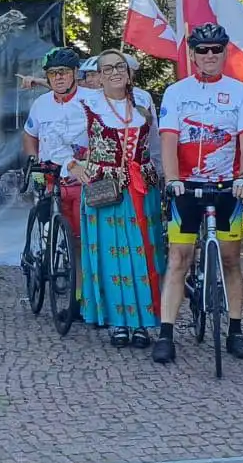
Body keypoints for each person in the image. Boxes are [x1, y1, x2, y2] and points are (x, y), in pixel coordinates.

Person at [154, 23, 243, 365]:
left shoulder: (240, 92)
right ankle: (166, 334)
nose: (210, 55)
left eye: (216, 49)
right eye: (203, 50)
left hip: (227, 187)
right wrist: (172, 179)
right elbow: (169, 139)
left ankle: (236, 331)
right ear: (193, 54)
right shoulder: (176, 92)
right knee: (178, 260)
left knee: (231, 259)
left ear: (225, 52)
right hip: (186, 186)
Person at [70, 49, 160, 347]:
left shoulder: (144, 101)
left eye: (119, 66)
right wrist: (73, 166)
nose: (114, 73)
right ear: (98, 75)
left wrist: (162, 176)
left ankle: (142, 323)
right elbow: (58, 140)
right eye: (107, 69)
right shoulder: (87, 104)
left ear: (129, 70)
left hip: (142, 188)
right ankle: (119, 321)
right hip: (104, 188)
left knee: (142, 253)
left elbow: (156, 145)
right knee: (112, 256)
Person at [22, 46, 91, 322]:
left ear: (75, 73)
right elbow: (30, 135)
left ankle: (81, 299)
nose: (58, 78)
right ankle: (42, 257)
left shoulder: (91, 100)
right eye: (52, 74)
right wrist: (32, 161)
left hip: (82, 179)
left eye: (63, 72)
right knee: (57, 232)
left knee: (81, 241)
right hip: (51, 177)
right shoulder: (40, 105)